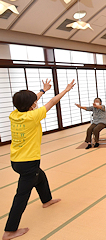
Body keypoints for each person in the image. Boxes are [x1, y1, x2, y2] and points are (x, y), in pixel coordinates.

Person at [3, 79, 76, 240]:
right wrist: (66, 90)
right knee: (21, 195)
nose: (36, 103)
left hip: (16, 160)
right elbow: (52, 102)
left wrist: (43, 90)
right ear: (31, 106)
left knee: (40, 177)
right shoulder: (33, 116)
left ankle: (46, 200)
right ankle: (9, 230)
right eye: (34, 102)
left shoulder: (14, 115)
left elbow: (30, 101)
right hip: (28, 163)